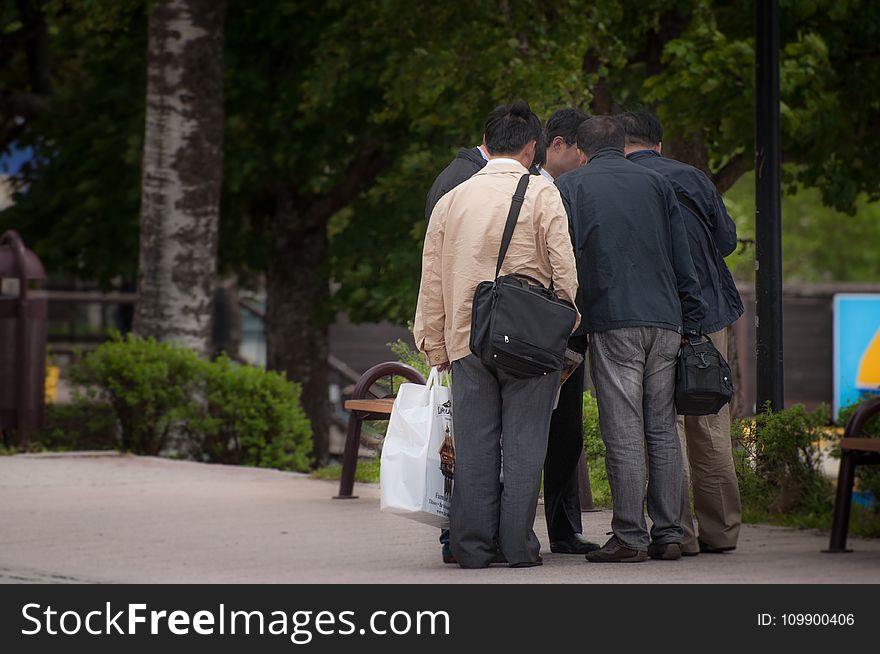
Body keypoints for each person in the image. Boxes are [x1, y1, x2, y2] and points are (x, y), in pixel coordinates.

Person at [414, 101, 579, 568]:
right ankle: (518, 546)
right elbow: (564, 268)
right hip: (528, 339)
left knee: (475, 444)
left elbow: (431, 277)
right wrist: (568, 314)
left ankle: (471, 547)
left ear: (489, 142)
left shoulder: (454, 199)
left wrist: (434, 342)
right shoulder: (543, 194)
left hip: (467, 339)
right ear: (532, 146)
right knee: (526, 446)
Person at [555, 115, 705, 562]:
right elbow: (683, 255)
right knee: (661, 428)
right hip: (666, 320)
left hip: (613, 318)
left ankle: (629, 536)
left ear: (581, 151)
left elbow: (566, 258)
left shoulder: (572, 187)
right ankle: (669, 533)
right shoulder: (657, 185)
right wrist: (690, 317)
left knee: (622, 429)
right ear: (623, 147)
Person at [619, 110, 744, 556]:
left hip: (649, 315)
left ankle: (678, 534)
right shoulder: (692, 178)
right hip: (707, 315)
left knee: (661, 425)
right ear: (659, 145)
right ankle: (722, 532)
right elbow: (727, 243)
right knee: (709, 422)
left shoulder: (616, 182)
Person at [534, 107, 600, 555]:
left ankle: (563, 528)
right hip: (528, 325)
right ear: (557, 145)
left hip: (569, 329)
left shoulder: (571, 187)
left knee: (566, 430)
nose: (584, 162)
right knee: (522, 428)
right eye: (580, 153)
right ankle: (515, 526)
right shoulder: (530, 187)